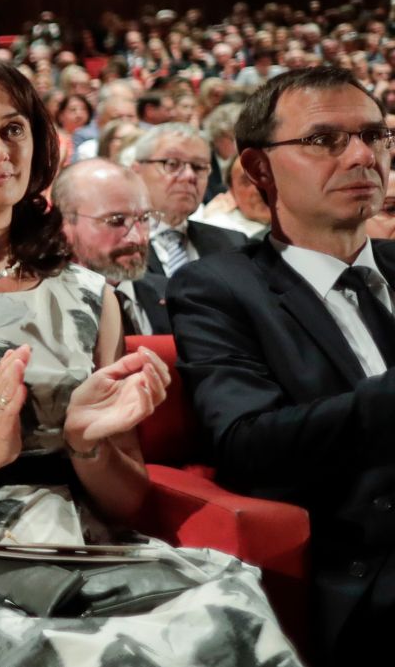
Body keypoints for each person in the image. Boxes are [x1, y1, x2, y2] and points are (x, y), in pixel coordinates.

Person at [0, 58, 297, 667]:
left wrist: (85, 445)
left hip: (81, 547)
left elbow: (129, 502)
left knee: (230, 611)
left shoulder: (88, 295)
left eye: (13, 129)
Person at [169, 67, 395, 664]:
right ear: (259, 168)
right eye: (324, 140)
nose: (362, 156)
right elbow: (247, 444)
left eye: (375, 135)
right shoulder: (218, 288)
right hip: (366, 563)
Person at [54, 157, 169, 334]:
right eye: (116, 221)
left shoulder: (170, 296)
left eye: (144, 218)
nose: (137, 238)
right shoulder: (41, 306)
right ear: (64, 223)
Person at [130, 123, 249, 277]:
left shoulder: (233, 243)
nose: (189, 176)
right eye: (172, 164)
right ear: (136, 172)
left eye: (199, 167)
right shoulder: (111, 241)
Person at [190, 154, 272, 241]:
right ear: (232, 192)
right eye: (247, 181)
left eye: (265, 176)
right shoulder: (218, 232)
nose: (259, 189)